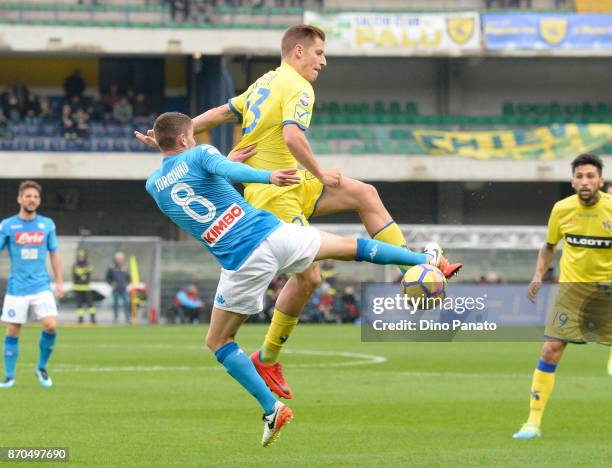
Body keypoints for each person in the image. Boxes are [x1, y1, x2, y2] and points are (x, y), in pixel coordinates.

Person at [136, 24, 462, 400]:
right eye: (319, 53)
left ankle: (415, 270)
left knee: (364, 194)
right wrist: (322, 172)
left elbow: (219, 113)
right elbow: (292, 136)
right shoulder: (298, 86)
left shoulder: (265, 82)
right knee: (309, 279)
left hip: (295, 182)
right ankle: (269, 357)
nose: (323, 62)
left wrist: (171, 138)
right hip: (273, 192)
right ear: (298, 52)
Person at [142, 112, 461, 446]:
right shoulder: (202, 154)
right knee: (351, 247)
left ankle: (271, 408)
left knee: (219, 342)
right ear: (183, 140)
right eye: (192, 134)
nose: (196, 138)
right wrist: (267, 176)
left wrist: (182, 151)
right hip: (274, 233)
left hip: (240, 260)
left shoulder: (153, 185)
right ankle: (423, 259)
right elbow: (226, 170)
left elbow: (194, 179)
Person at [513, 153, 612, 440]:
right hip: (572, 292)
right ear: (572, 181)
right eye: (579, 176)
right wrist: (538, 275)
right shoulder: (561, 210)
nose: (584, 181)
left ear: (600, 181)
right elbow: (549, 246)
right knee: (550, 350)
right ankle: (532, 422)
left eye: (590, 176)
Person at [0, 181, 64, 389]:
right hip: (16, 288)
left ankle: (41, 367)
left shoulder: (47, 225)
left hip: (41, 287)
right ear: (19, 199)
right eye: (28, 196)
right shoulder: (7, 226)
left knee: (51, 325)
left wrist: (60, 282)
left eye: (35, 197)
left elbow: (54, 254)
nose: (32, 199)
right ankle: (9, 376)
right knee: (12, 331)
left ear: (39, 201)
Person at [106, 252, 131, 324]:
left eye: (121, 259)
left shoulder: (125, 268)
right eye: (118, 259)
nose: (120, 260)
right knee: (115, 304)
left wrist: (127, 283)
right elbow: (108, 278)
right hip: (115, 289)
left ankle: (128, 318)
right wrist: (111, 284)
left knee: (126, 303)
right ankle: (116, 318)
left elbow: (129, 278)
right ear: (115, 259)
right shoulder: (111, 268)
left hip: (123, 289)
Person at [72, 249, 96, 324]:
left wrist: (84, 270)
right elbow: (77, 272)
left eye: (83, 256)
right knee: (79, 305)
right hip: (78, 288)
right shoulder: (75, 265)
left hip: (86, 288)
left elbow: (91, 268)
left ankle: (93, 318)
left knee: (90, 304)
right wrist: (85, 270)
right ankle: (80, 318)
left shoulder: (87, 264)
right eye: (80, 257)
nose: (81, 258)